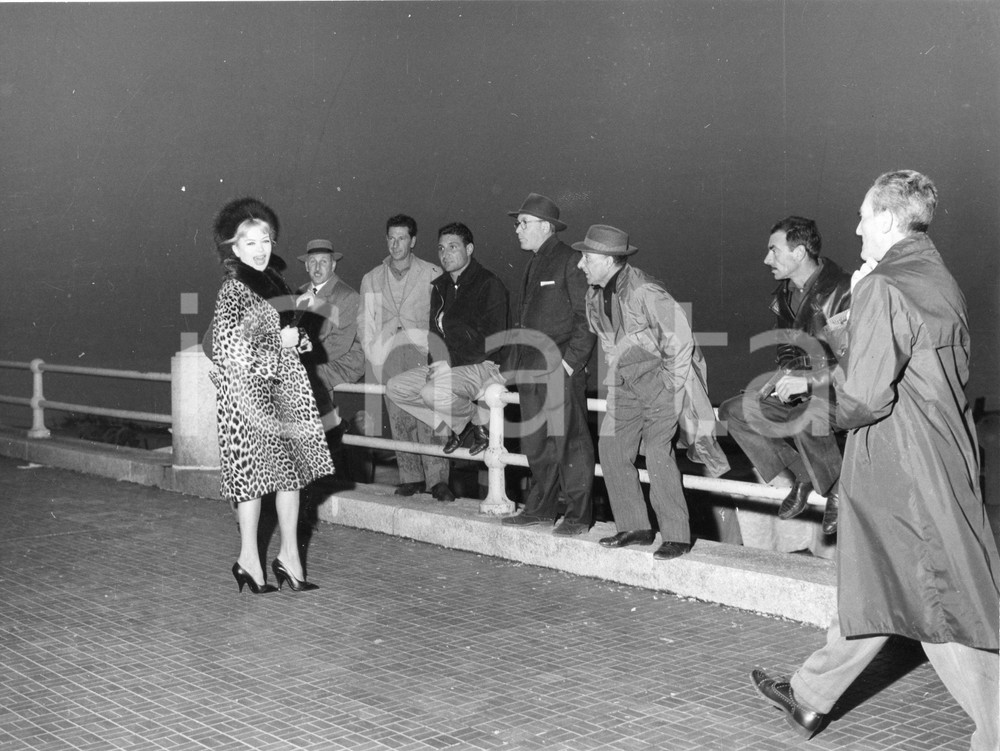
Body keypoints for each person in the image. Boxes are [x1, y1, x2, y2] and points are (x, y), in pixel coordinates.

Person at [750, 171, 1000, 749]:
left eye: (863, 217)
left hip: (901, 466)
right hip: (939, 455)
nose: (857, 228)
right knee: (884, 583)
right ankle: (810, 698)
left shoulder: (885, 284)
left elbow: (863, 397)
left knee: (938, 598)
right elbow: (905, 365)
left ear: (886, 220)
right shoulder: (937, 277)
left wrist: (808, 397)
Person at [574, 225, 729, 560]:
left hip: (660, 382)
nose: (580, 264)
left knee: (659, 452)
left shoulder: (644, 290)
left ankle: (676, 535)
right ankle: (635, 527)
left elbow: (681, 339)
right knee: (612, 447)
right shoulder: (595, 292)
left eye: (587, 257)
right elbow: (608, 340)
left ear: (608, 259)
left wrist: (669, 384)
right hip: (626, 382)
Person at [207, 197, 334, 594]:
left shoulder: (275, 284)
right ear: (233, 248)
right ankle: (250, 559)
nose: (261, 249)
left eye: (266, 240)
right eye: (251, 243)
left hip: (282, 395)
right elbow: (227, 349)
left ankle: (288, 559)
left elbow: (287, 337)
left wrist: (298, 341)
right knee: (253, 480)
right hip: (249, 399)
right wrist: (279, 343)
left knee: (290, 476)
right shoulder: (233, 289)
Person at [718, 216, 850, 535]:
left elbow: (855, 367)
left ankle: (837, 489)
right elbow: (788, 351)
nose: (767, 259)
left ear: (800, 252)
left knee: (808, 413)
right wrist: (777, 380)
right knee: (735, 410)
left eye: (774, 251)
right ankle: (804, 475)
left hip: (838, 394)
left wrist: (805, 383)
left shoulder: (842, 291)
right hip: (801, 392)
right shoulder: (785, 295)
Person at [386, 223, 508, 500]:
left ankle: (463, 423)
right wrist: (436, 362)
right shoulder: (439, 287)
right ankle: (472, 422)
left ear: (469, 249)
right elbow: (433, 335)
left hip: (482, 365)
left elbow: (495, 339)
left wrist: (448, 364)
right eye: (441, 248)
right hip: (448, 368)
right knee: (395, 388)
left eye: (453, 247)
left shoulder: (489, 284)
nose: (445, 254)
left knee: (432, 391)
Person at [501, 193, 596, 536]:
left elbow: (587, 320)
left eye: (523, 223)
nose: (517, 230)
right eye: (518, 224)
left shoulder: (569, 260)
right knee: (537, 442)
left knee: (570, 441)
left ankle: (578, 515)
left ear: (545, 226)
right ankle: (541, 509)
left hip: (559, 370)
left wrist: (570, 365)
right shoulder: (534, 262)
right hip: (531, 370)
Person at [357, 214, 450, 498]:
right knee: (399, 418)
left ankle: (438, 481)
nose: (395, 244)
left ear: (413, 241)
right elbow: (366, 322)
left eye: (401, 238)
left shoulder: (433, 273)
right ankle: (411, 478)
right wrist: (374, 355)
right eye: (391, 238)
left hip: (423, 353)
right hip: (389, 355)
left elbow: (443, 319)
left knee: (431, 415)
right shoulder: (372, 278)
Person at [295, 238, 365, 454]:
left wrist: (300, 357)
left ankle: (328, 433)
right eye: (312, 262)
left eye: (323, 262)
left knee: (301, 378)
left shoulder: (347, 295)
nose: (317, 267)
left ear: (333, 265)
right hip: (312, 357)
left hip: (345, 360)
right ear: (306, 265)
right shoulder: (300, 292)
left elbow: (339, 344)